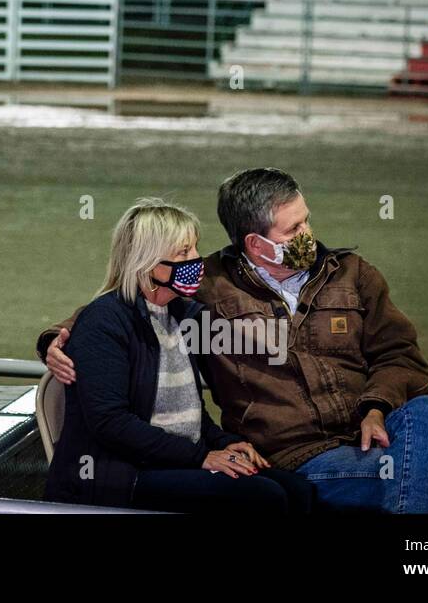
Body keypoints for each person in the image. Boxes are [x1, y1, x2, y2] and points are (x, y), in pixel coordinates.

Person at [39, 168, 428, 514]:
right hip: (296, 451)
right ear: (256, 243)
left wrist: (377, 407)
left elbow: (400, 354)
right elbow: (120, 305)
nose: (309, 233)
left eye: (306, 219)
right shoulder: (210, 286)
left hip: (365, 432)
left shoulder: (352, 273)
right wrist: (54, 341)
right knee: (420, 478)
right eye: (294, 228)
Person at [44, 196, 315, 512]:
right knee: (264, 496)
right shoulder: (104, 322)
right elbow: (110, 423)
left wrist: (223, 443)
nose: (198, 260)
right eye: (184, 252)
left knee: (298, 490)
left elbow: (185, 412)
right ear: (147, 264)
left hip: (168, 460)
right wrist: (201, 457)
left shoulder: (180, 315)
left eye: (195, 248)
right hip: (117, 475)